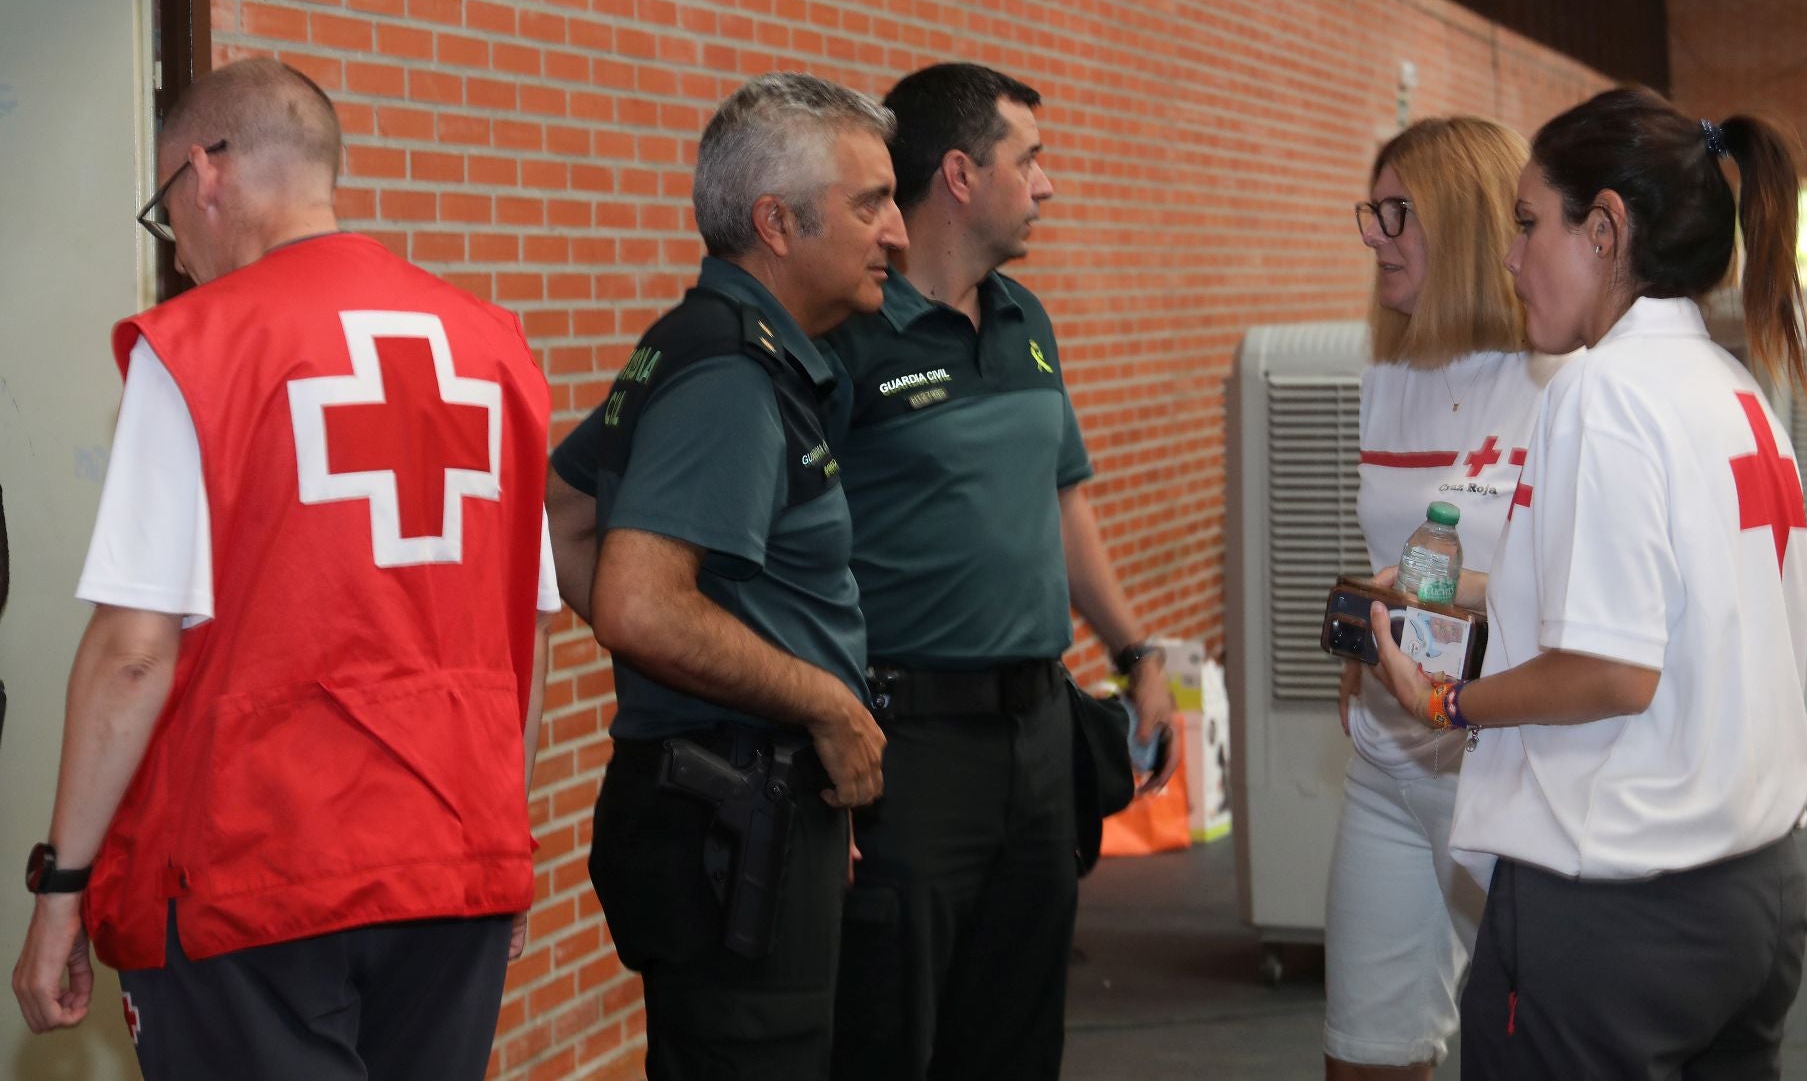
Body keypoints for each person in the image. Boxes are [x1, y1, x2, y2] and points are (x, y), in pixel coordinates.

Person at [10, 58, 558, 1079]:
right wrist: (499, 854)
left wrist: (61, 888)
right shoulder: (495, 352)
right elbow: (521, 638)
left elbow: (134, 653)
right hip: (456, 862)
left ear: (202, 174)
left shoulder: (198, 350)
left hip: (251, 877)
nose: (174, 246)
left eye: (165, 209)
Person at [1371, 86, 1807, 1079]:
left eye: (1531, 224)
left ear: (1605, 228)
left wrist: (1445, 698)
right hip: (1754, 900)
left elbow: (1615, 669)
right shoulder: (1734, 393)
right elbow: (1683, 606)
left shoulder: (1602, 395)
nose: (1512, 256)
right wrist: (1475, 589)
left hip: (1617, 915)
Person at [820, 62, 1176, 1081]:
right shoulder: (850, 337)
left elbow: (1062, 505)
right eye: (1033, 161)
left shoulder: (1026, 321)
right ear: (963, 176)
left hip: (1037, 741)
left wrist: (1135, 646)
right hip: (910, 751)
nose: (1048, 185)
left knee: (1017, 1037)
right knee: (890, 1036)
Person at [544, 72, 903, 1079]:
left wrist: (684, 666)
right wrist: (820, 705)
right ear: (777, 224)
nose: (896, 234)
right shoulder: (731, 377)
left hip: (742, 805)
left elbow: (563, 517)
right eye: (869, 204)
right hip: (734, 814)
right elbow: (637, 599)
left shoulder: (695, 343)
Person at [1326, 117, 1561, 1081]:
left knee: (1540, 1052)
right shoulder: (1387, 370)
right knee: (1365, 1056)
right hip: (1390, 761)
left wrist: (1425, 591)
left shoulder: (1560, 380)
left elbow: (1575, 594)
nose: (1375, 235)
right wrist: (1367, 643)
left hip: (1505, 771)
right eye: (1370, 213)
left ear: (1466, 224)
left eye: (1397, 213)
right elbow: (1396, 542)